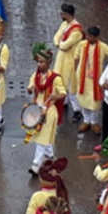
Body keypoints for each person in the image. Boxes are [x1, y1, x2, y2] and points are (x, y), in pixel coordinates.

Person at [27, 43, 67, 175]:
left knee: (40, 138)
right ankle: (50, 155)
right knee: (44, 136)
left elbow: (63, 93)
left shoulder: (55, 78)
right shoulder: (36, 75)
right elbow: (31, 85)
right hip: (37, 109)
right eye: (38, 62)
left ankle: (36, 165)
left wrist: (55, 95)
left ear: (49, 63)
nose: (39, 64)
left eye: (42, 62)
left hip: (49, 111)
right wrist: (30, 88)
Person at [73, 26, 108, 134]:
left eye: (92, 37)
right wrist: (76, 72)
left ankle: (94, 122)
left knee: (95, 102)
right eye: (88, 36)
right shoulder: (82, 44)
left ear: (97, 37)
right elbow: (76, 57)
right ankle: (86, 121)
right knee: (83, 100)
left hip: (96, 80)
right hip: (83, 78)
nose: (89, 38)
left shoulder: (102, 47)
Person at [52, 4, 83, 121]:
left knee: (71, 86)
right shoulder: (64, 24)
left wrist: (60, 43)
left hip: (71, 60)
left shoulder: (76, 30)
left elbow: (65, 45)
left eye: (62, 13)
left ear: (67, 14)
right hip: (61, 58)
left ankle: (77, 110)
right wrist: (59, 43)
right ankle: (63, 102)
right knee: (60, 81)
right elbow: (56, 37)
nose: (61, 15)